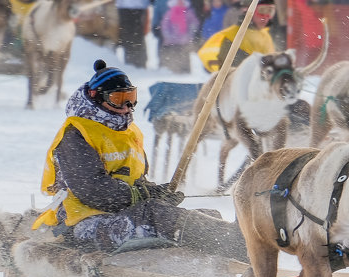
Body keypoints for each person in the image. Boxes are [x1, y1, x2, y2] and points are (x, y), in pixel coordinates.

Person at [33, 60, 247, 259]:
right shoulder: (76, 135)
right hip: (83, 223)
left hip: (119, 213)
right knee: (154, 214)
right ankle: (239, 245)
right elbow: (94, 192)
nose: (127, 106)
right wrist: (144, 196)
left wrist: (156, 192)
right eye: (118, 99)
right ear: (95, 96)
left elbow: (135, 179)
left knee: (206, 215)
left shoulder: (129, 133)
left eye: (131, 97)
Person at [197, 0, 277, 72]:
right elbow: (232, 75)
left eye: (270, 11)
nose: (266, 17)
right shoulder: (233, 37)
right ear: (247, 10)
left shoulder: (265, 37)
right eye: (262, 10)